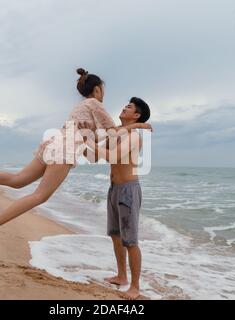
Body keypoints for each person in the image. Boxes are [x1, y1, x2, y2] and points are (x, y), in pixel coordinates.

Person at [0, 68, 151, 254]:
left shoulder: (82, 107)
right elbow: (114, 132)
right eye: (103, 90)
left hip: (54, 142)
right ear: (97, 90)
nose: (104, 94)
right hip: (64, 149)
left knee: (18, 179)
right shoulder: (95, 103)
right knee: (40, 196)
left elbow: (97, 143)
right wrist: (138, 126)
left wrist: (92, 144)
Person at [80, 97, 150, 300]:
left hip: (128, 190)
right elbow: (92, 158)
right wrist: (84, 140)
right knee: (115, 235)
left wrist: (90, 141)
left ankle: (135, 287)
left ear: (136, 115)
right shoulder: (116, 132)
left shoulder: (135, 136)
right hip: (114, 188)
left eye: (129, 107)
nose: (124, 107)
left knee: (130, 241)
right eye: (125, 105)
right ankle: (121, 276)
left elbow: (113, 156)